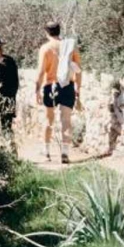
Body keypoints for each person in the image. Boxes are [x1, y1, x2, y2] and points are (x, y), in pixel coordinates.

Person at [34, 19, 82, 164]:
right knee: (66, 120)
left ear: (46, 32)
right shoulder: (70, 46)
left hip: (51, 85)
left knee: (49, 120)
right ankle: (65, 154)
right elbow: (78, 70)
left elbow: (41, 72)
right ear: (59, 30)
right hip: (67, 85)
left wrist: (37, 90)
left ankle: (47, 152)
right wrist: (78, 89)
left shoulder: (46, 48)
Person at [106, 79, 124, 156]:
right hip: (114, 118)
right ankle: (111, 148)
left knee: (114, 132)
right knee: (112, 132)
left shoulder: (120, 98)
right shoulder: (115, 99)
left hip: (118, 119)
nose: (114, 94)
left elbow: (121, 107)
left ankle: (112, 148)